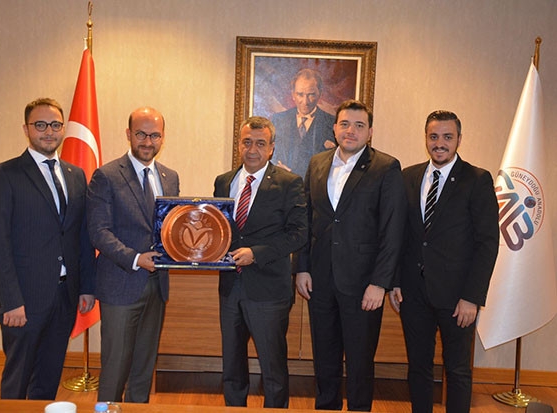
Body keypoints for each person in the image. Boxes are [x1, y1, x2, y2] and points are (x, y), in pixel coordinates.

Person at [0, 98, 96, 399]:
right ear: (26, 129)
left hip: (65, 296)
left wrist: (86, 287)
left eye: (55, 125)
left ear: (63, 129)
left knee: (48, 379)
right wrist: (11, 301)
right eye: (40, 125)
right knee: (17, 381)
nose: (49, 131)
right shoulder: (4, 175)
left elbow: (81, 236)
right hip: (23, 300)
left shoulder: (75, 175)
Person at [295, 99, 406, 411]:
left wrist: (379, 283)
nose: (351, 131)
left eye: (359, 125)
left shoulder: (386, 167)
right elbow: (306, 220)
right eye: (345, 124)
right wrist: (302, 268)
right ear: (334, 127)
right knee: (324, 358)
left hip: (363, 284)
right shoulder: (317, 163)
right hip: (320, 279)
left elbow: (392, 231)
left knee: (359, 362)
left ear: (370, 132)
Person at [389, 110, 499, 413]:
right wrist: (395, 281)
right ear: (426, 138)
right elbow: (400, 235)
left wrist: (472, 297)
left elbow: (487, 243)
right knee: (418, 367)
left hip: (457, 297)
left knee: (457, 370)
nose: (440, 143)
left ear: (459, 139)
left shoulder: (477, 179)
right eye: (434, 136)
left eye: (447, 137)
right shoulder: (408, 177)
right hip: (413, 293)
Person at [214, 116, 308, 408]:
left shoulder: (289, 183)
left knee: (273, 370)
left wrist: (256, 253)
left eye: (260, 143)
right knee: (231, 367)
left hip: (269, 291)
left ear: (271, 148)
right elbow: (218, 229)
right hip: (230, 288)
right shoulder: (224, 181)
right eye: (247, 142)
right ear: (239, 145)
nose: (252, 149)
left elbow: (299, 234)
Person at [87, 106, 179, 403]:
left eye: (155, 135)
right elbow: (99, 231)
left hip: (157, 287)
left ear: (163, 137)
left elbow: (172, 227)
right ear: (128, 134)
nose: (148, 142)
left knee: (143, 368)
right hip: (121, 284)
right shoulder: (107, 175)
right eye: (141, 134)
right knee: (115, 369)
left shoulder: (170, 177)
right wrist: (136, 259)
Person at [271, 68, 336, 179]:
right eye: (300, 94)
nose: (305, 102)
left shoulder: (332, 123)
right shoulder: (278, 120)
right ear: (293, 94)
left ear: (320, 94)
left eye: (311, 95)